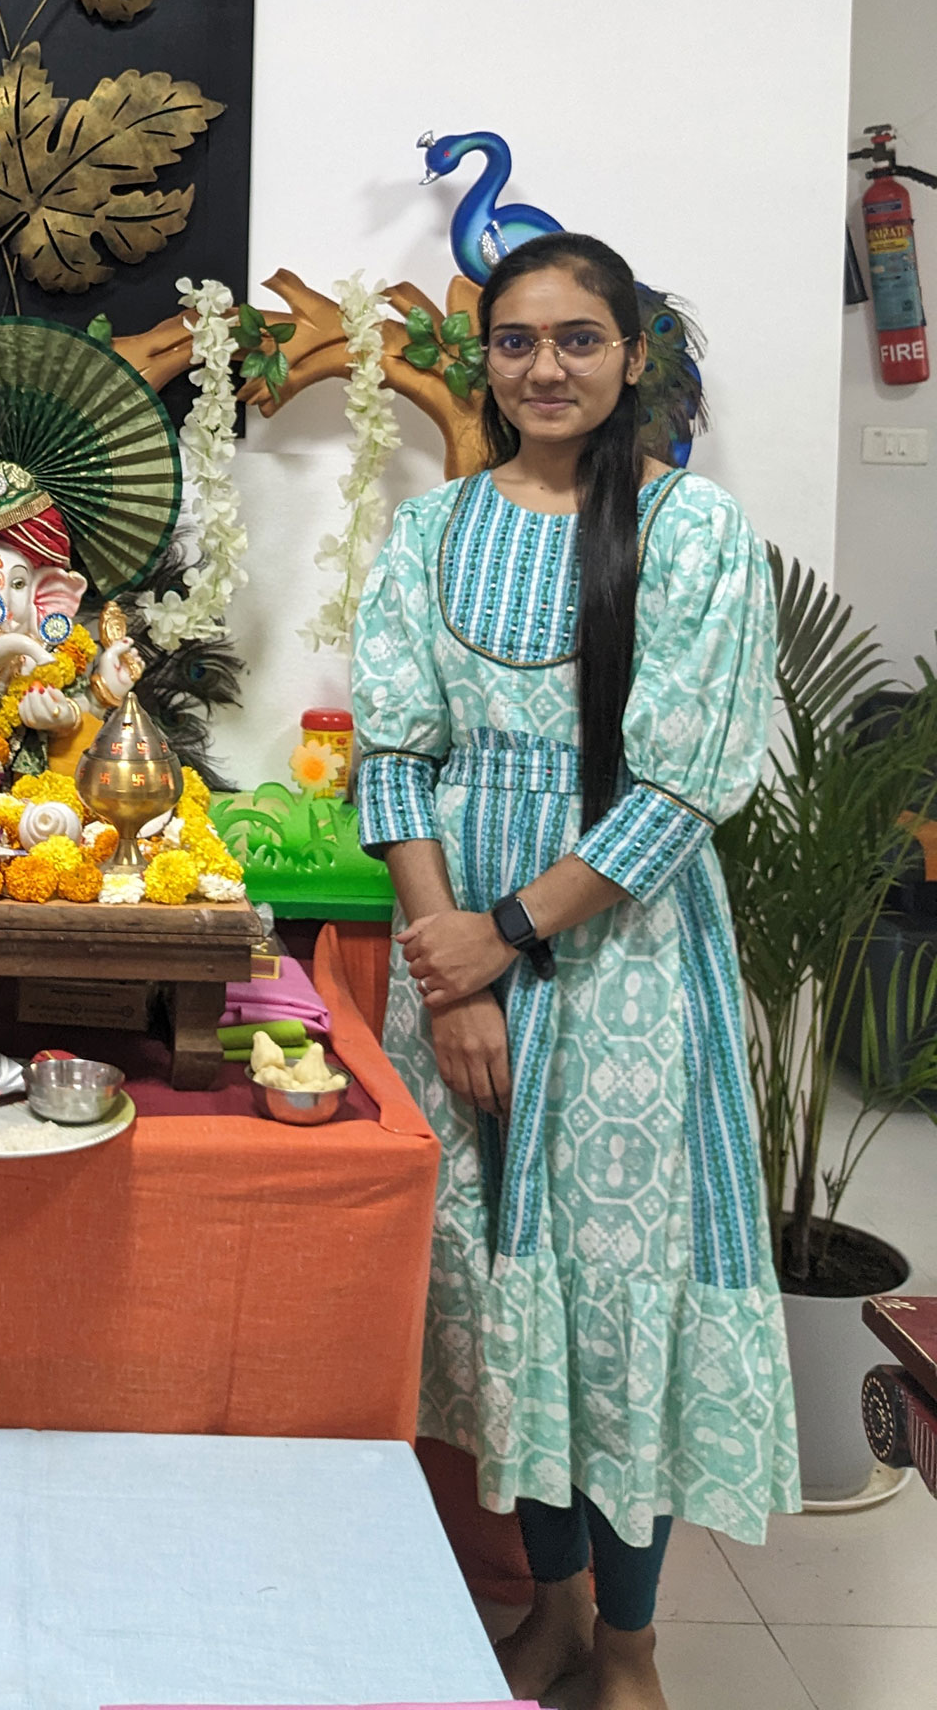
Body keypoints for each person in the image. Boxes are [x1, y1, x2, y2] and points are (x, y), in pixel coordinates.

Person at [351, 232, 796, 1710]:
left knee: (617, 1298)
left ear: (632, 355)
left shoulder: (695, 533)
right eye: (517, 340)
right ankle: (549, 1610)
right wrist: (452, 975)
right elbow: (396, 755)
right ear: (485, 358)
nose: (544, 367)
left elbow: (680, 787)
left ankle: (629, 1645)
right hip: (461, 963)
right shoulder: (430, 533)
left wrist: (509, 934)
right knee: (506, 1297)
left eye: (578, 339)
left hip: (625, 964)